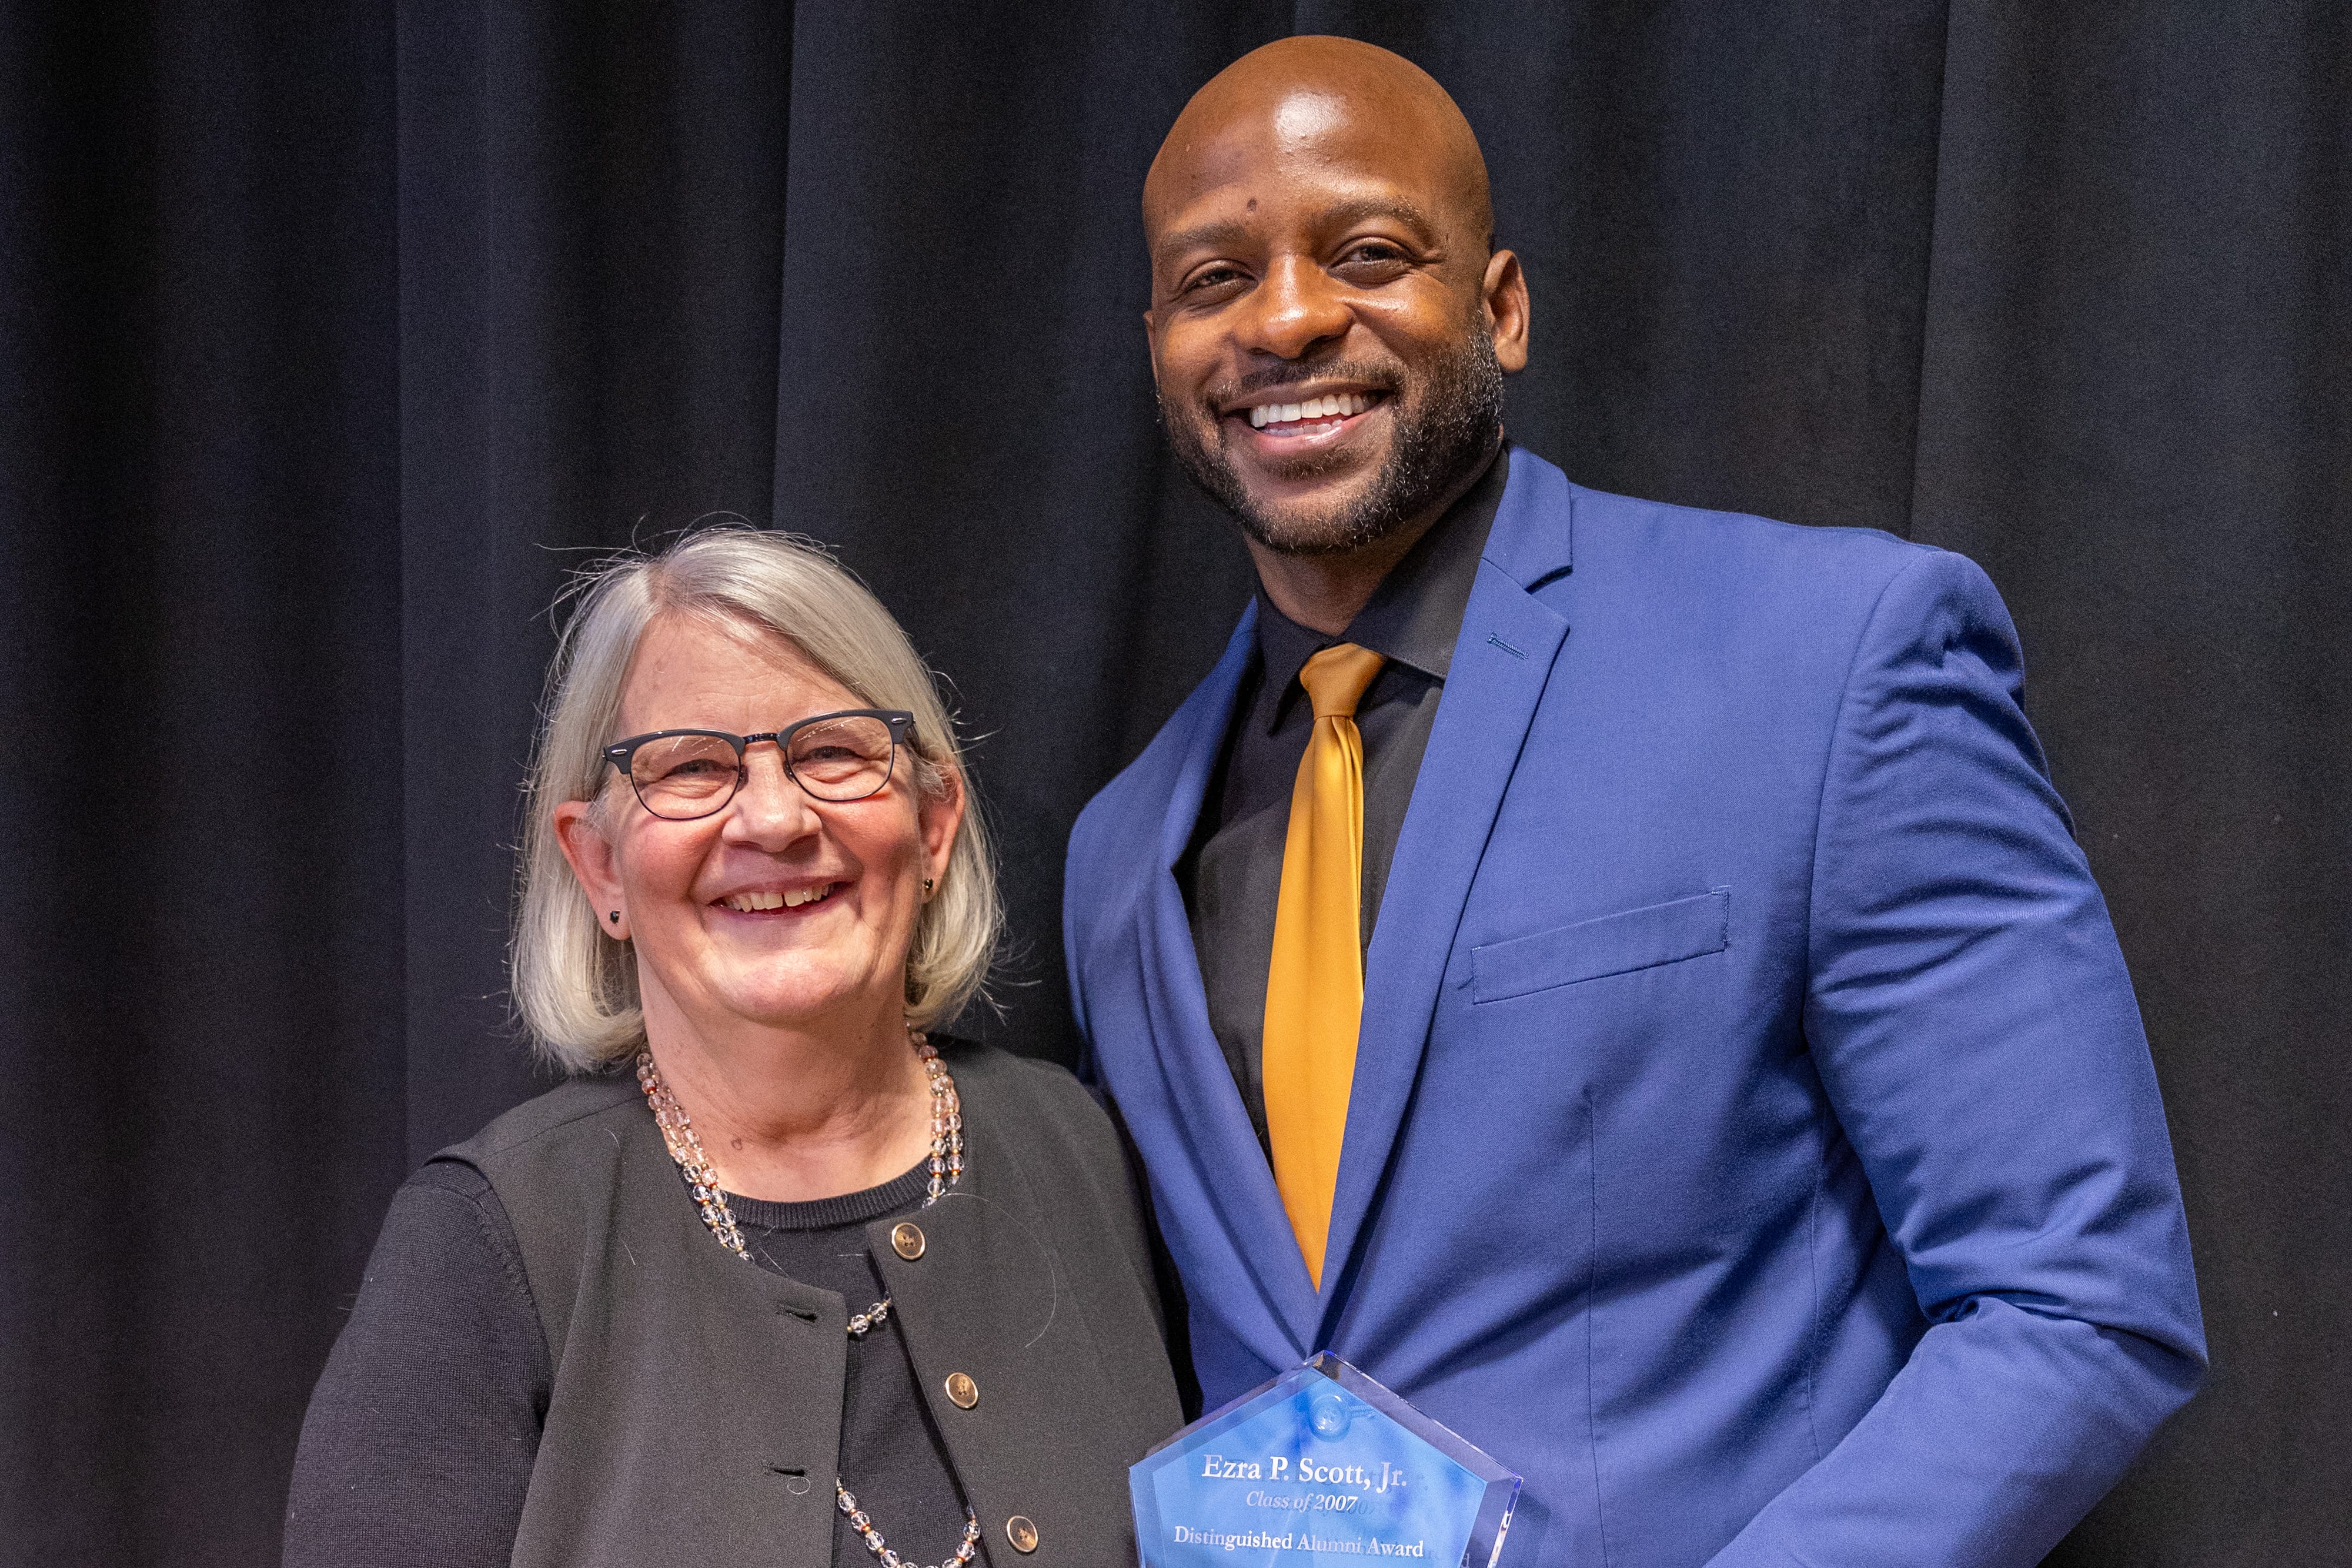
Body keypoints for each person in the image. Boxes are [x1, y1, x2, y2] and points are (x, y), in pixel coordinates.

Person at [1065, 35, 2204, 1568]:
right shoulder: (1118, 855)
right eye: (1216, 278)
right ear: (1158, 344)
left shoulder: (1826, 660)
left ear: (1500, 305)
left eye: (1368, 253)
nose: (1285, 317)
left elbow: (2077, 1296)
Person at [286, 528, 1179, 1567]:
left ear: (933, 827)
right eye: (692, 766)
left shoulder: (1083, 1147)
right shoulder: (486, 1245)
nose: (774, 818)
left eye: (834, 751)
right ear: (600, 867)